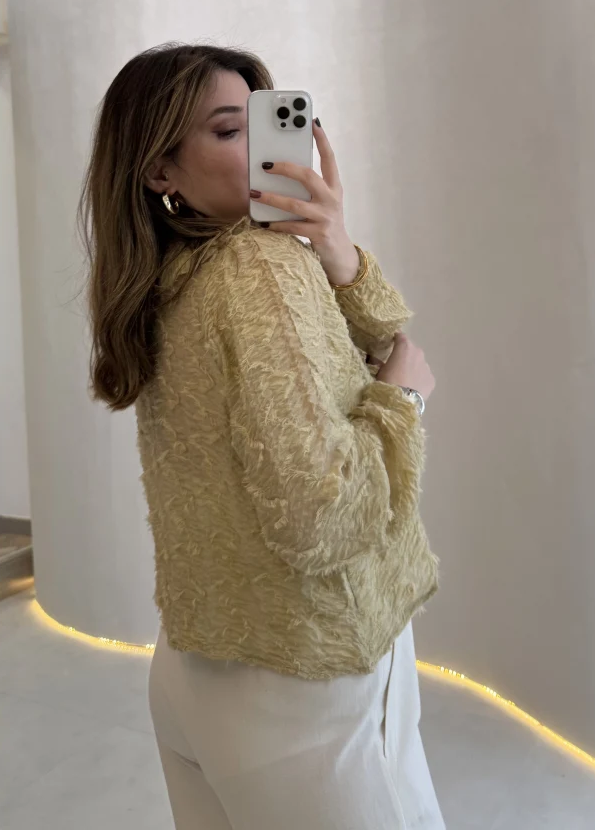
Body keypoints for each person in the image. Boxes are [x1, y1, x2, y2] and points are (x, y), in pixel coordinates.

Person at [79, 42, 445, 829]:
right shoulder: (261, 267)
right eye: (227, 129)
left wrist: (338, 254)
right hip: (311, 676)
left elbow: (379, 342)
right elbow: (323, 516)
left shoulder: (172, 278)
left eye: (266, 119)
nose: (264, 145)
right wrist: (403, 403)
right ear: (159, 170)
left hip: (197, 668)